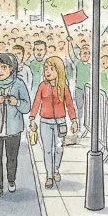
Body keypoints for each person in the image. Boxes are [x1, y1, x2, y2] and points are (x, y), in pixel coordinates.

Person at [0, 53, 32, 199]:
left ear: (11, 68)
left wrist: (17, 103)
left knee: (12, 157)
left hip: (13, 129)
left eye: (3, 67)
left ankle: (11, 180)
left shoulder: (19, 84)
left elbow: (27, 106)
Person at [29, 56, 77, 188]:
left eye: (52, 69)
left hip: (60, 122)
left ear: (59, 71)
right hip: (45, 122)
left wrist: (73, 120)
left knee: (59, 148)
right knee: (47, 150)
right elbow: (36, 102)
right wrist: (32, 117)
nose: (48, 71)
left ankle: (56, 169)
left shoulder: (64, 87)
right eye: (46, 69)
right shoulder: (42, 86)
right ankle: (49, 175)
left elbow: (70, 104)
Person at [67, 38, 91, 145]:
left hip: (89, 91)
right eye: (82, 54)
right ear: (80, 55)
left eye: (87, 54)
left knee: (88, 110)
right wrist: (69, 43)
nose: (85, 55)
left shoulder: (91, 65)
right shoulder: (77, 63)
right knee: (79, 109)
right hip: (79, 89)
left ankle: (86, 128)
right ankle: (79, 127)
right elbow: (71, 55)